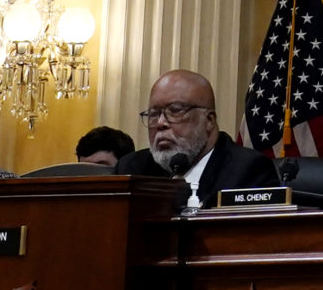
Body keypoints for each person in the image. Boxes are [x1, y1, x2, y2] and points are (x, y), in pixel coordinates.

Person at [113, 70, 277, 208]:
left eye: (175, 111)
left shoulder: (248, 170)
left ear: (209, 120)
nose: (161, 123)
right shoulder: (132, 168)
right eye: (154, 114)